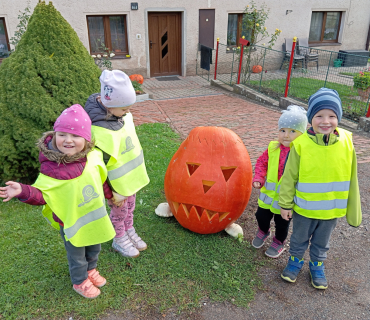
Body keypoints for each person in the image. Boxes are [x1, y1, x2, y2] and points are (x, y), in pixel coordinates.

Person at [0, 104, 116, 299]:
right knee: (77, 255)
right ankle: (80, 281)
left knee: (94, 246)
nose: (68, 140)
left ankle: (91, 270)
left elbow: (100, 179)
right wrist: (23, 190)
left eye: (76, 136)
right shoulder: (53, 169)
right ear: (54, 135)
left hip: (94, 218)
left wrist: (110, 196)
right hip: (70, 221)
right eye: (62, 134)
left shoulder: (93, 157)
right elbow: (43, 194)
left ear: (86, 139)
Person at [279, 88, 362, 289]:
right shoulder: (300, 145)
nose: (326, 121)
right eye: (319, 116)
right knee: (299, 238)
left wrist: (353, 208)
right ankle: (295, 261)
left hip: (330, 210)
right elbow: (289, 177)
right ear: (310, 118)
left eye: (332, 116)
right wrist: (285, 204)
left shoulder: (346, 142)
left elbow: (353, 177)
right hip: (304, 209)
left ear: (338, 117)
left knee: (322, 241)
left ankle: (317, 265)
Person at [85, 70, 150, 258]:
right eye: (124, 109)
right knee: (119, 211)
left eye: (129, 107)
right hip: (116, 187)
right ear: (108, 104)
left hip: (131, 180)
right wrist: (110, 192)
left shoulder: (121, 116)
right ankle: (119, 237)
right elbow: (98, 166)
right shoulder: (97, 129)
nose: (128, 112)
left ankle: (129, 229)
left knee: (130, 207)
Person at [252, 105, 308, 258]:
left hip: (285, 200)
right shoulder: (272, 148)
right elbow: (261, 163)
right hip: (267, 197)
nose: (286, 135)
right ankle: (264, 231)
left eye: (292, 131)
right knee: (261, 216)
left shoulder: (302, 154)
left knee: (282, 223)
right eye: (282, 130)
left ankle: (279, 241)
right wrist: (259, 177)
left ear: (302, 134)